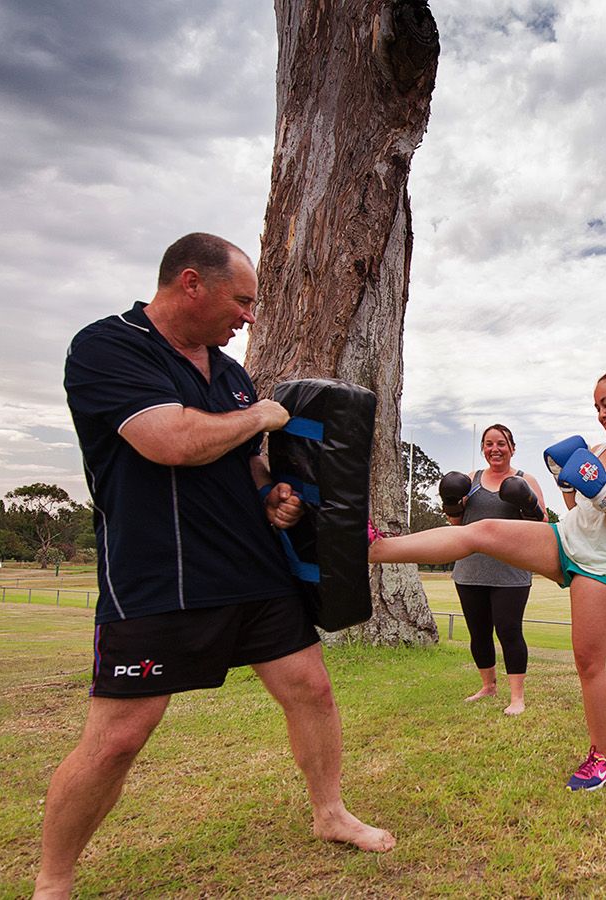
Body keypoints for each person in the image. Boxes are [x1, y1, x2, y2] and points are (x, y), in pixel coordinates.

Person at [37, 233, 391, 898]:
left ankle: (330, 813)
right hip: (158, 579)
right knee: (118, 738)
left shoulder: (227, 373)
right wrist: (261, 412)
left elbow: (246, 460)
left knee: (310, 692)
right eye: (242, 301)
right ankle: (54, 881)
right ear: (191, 284)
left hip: (252, 573)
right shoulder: (109, 347)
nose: (249, 317)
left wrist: (273, 493)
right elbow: (169, 441)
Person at [369, 368, 606, 791]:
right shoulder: (601, 449)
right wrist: (564, 480)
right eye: (597, 406)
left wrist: (604, 492)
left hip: (603, 565)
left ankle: (602, 759)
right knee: (481, 532)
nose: (601, 414)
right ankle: (375, 548)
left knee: (588, 662)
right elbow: (576, 505)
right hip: (564, 540)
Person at [442, 424, 548, 715]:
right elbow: (456, 524)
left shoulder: (525, 480)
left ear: (512, 447)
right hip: (470, 570)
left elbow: (542, 526)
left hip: (511, 573)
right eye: (488, 444)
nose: (494, 449)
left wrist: (527, 504)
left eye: (501, 443)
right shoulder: (470, 480)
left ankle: (517, 697)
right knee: (478, 633)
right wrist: (450, 501)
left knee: (509, 630)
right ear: (483, 449)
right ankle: (488, 686)